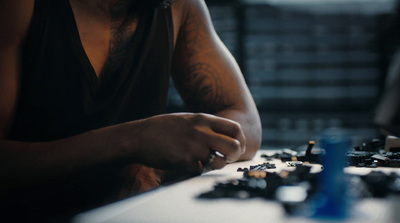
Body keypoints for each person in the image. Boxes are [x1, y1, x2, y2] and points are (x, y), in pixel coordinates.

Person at [0, 0, 262, 221]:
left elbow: (245, 121)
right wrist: (132, 140)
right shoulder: (18, 6)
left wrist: (158, 167)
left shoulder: (180, 5)